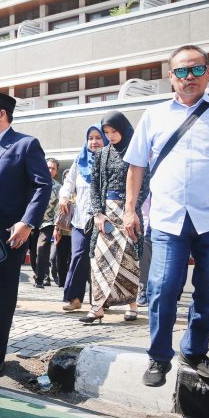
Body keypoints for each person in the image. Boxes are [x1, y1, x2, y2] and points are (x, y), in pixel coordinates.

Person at [123, 45, 209, 387]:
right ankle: (159, 356)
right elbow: (136, 165)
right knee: (162, 288)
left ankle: (194, 350)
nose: (189, 77)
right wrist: (130, 209)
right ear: (170, 77)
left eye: (196, 69)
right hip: (166, 218)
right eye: (181, 71)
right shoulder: (154, 115)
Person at [0, 90, 52, 378]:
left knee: (3, 295)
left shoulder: (25, 145)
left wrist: (27, 222)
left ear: (2, 114)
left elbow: (43, 185)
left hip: (10, 234)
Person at [82, 111, 147, 324]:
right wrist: (98, 214)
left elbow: (144, 185)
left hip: (129, 213)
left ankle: (132, 305)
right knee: (100, 259)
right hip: (106, 214)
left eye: (114, 131)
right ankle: (97, 307)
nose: (110, 136)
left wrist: (132, 209)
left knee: (129, 258)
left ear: (124, 129)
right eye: (107, 132)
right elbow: (95, 186)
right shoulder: (102, 154)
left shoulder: (136, 152)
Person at [58, 125, 107, 312]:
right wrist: (64, 196)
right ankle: (74, 297)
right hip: (80, 219)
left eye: (98, 138)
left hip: (103, 220)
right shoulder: (80, 160)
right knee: (78, 256)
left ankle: (101, 299)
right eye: (91, 138)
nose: (94, 142)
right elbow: (69, 183)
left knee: (101, 260)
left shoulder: (111, 159)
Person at [28, 157, 61, 288]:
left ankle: (40, 280)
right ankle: (38, 274)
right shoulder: (34, 182)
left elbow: (59, 209)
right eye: (48, 167)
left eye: (53, 168)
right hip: (32, 222)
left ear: (56, 171)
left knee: (41, 248)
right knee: (33, 252)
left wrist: (56, 227)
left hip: (48, 223)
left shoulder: (58, 187)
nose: (50, 170)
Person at [51, 169, 73, 287]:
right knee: (60, 259)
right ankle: (63, 282)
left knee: (72, 259)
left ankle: (70, 282)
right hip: (62, 232)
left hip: (76, 232)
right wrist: (56, 229)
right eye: (66, 177)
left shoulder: (80, 191)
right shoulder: (61, 193)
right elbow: (57, 213)